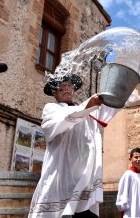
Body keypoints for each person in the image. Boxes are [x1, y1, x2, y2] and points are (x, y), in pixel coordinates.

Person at [29, 74, 120, 217]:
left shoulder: (86, 110)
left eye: (69, 86)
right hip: (61, 177)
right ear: (55, 93)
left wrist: (117, 92)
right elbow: (66, 116)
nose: (66, 88)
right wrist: (88, 105)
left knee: (84, 211)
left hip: (82, 177)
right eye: (61, 87)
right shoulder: (52, 108)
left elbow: (106, 110)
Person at [116, 147, 140, 218]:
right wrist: (123, 206)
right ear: (130, 159)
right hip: (131, 210)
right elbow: (123, 193)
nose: (138, 159)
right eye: (136, 157)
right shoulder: (128, 174)